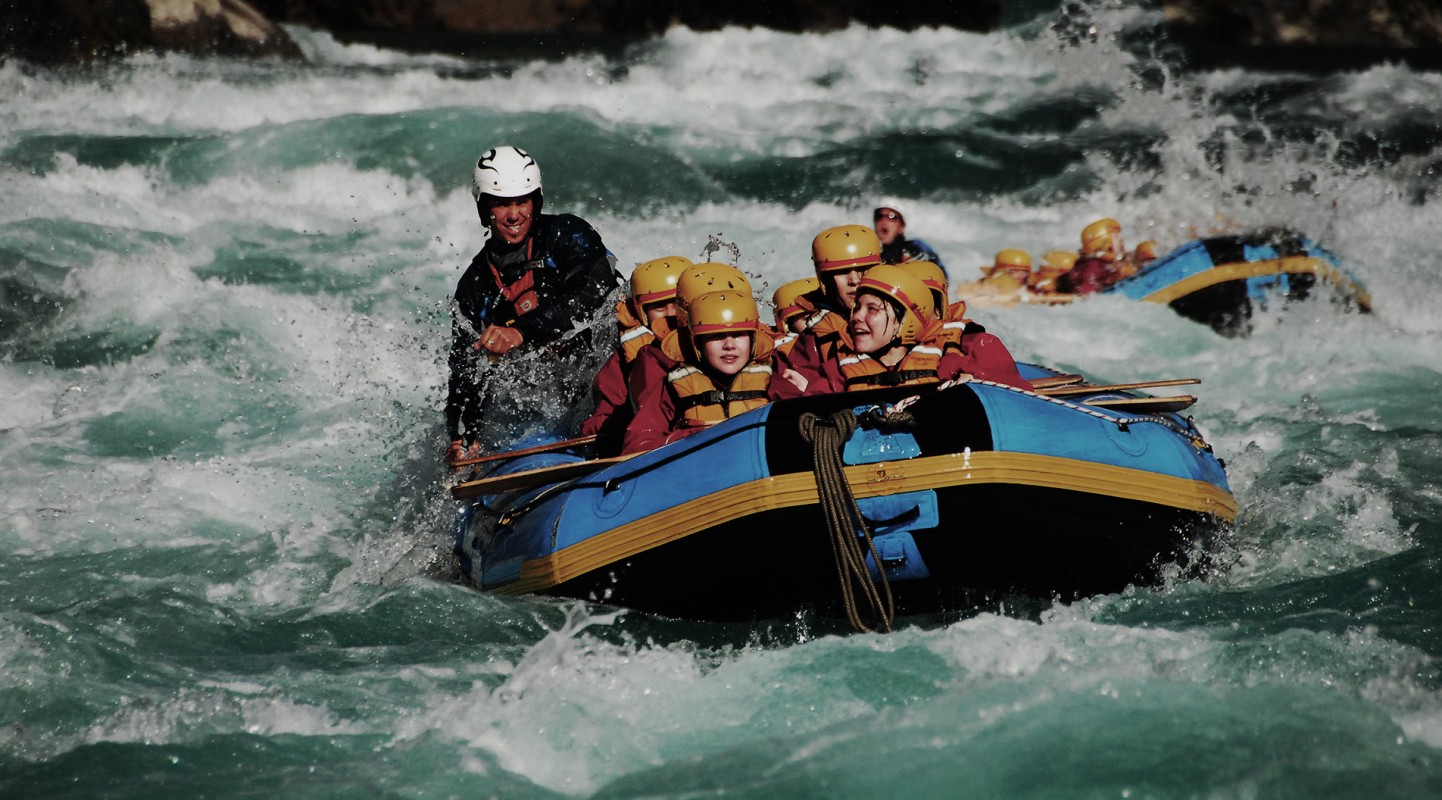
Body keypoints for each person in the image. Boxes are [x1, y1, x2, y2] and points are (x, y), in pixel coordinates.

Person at [446, 145, 621, 465]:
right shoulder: (474, 287)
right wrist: (462, 435)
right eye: (501, 204)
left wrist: (521, 331)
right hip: (552, 400)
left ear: (535, 202)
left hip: (612, 369)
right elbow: (464, 370)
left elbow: (590, 291)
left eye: (522, 201)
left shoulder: (568, 235)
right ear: (485, 209)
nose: (514, 214)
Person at [620, 290, 802, 454]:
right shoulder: (674, 385)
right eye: (717, 336)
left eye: (739, 335)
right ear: (697, 343)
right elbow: (637, 445)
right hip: (700, 470)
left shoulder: (769, 379)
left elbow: (805, 423)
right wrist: (688, 438)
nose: (729, 345)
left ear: (753, 339)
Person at [813, 264, 1032, 393]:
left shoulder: (951, 359)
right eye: (858, 308)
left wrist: (975, 384)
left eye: (872, 309)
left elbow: (1012, 394)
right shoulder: (839, 365)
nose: (857, 317)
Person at [577, 255, 691, 444]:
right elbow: (603, 415)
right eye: (659, 307)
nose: (671, 314)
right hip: (651, 437)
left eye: (677, 304)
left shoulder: (723, 344)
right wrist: (612, 425)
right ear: (641, 313)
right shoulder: (623, 361)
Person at [784, 224, 884, 382]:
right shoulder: (812, 340)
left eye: (863, 269)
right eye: (842, 271)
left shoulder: (902, 320)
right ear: (826, 280)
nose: (854, 280)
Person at [1057, 217, 1127, 295]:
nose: (1122, 239)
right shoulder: (1094, 265)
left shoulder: (1109, 262)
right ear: (1103, 243)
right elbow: (1088, 293)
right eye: (1116, 236)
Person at [873, 205, 946, 274]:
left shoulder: (915, 248)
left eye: (891, 216)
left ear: (901, 227)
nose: (884, 221)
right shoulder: (873, 254)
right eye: (879, 216)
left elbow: (940, 274)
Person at [954, 249, 1033, 308]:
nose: (1021, 275)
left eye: (1025, 271)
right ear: (1000, 271)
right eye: (1014, 271)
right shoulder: (994, 284)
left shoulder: (1024, 288)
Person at [770, 276, 821, 356]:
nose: (819, 322)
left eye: (826, 316)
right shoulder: (782, 354)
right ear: (789, 325)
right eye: (808, 318)